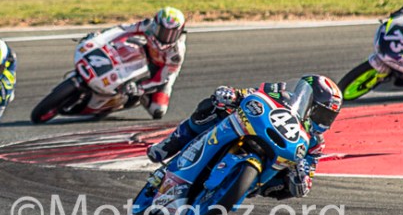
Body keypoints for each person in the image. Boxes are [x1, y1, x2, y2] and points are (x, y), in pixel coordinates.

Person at [147, 75, 342, 199]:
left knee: (288, 188)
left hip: (270, 165)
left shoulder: (314, 143)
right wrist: (233, 95)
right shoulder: (279, 93)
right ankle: (167, 146)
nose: (324, 121)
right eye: (322, 114)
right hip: (249, 128)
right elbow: (252, 94)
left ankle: (235, 188)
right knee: (211, 107)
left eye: (329, 117)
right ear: (310, 104)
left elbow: (307, 179)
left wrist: (301, 175)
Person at [82, 7, 187, 119]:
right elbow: (123, 29)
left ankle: (133, 98)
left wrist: (140, 87)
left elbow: (162, 79)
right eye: (163, 31)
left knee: (157, 110)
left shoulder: (177, 53)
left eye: (172, 34)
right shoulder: (148, 25)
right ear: (155, 25)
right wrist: (99, 36)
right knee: (123, 44)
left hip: (160, 73)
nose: (166, 37)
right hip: (143, 54)